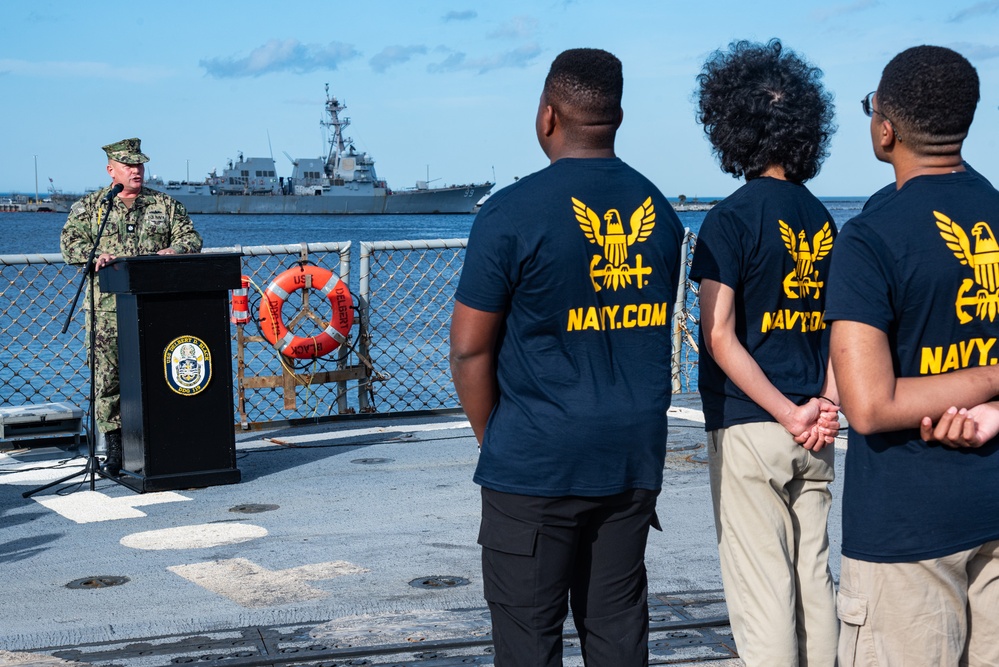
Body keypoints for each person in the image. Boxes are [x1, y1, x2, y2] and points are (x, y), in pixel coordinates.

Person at [449, 48, 684, 666]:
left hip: (535, 462)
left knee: (528, 639)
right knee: (617, 632)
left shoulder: (509, 213)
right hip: (630, 459)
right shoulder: (658, 211)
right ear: (618, 116)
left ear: (547, 116)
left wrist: (492, 439)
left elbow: (470, 347)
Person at [825, 45, 999, 666]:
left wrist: (984, 378)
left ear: (885, 127)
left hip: (906, 527)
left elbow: (870, 406)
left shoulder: (871, 237)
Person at [688, 39, 840, 666]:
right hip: (817, 427)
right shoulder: (823, 218)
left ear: (732, 128)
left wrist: (784, 411)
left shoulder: (729, 219)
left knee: (762, 594)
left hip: (756, 423)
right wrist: (825, 405)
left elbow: (719, 334)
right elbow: (843, 325)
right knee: (814, 580)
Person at [61, 138, 202, 475]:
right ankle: (115, 452)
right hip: (106, 312)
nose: (136, 171)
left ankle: (158, 443)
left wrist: (176, 250)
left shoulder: (164, 205)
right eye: (129, 166)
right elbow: (70, 245)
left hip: (154, 311)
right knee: (108, 381)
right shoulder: (92, 207)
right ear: (112, 170)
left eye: (139, 165)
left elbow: (191, 238)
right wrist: (95, 255)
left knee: (157, 376)